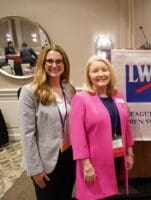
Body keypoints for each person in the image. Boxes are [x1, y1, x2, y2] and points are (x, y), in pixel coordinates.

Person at [70, 56, 134, 200]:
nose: (101, 74)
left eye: (104, 70)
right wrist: (86, 164)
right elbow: (77, 136)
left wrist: (129, 153)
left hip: (116, 157)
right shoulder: (81, 99)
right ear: (89, 75)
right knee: (97, 196)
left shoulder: (118, 95)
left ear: (110, 73)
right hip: (94, 162)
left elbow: (126, 126)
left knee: (113, 193)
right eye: (95, 71)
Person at [18, 44, 76, 200]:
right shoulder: (30, 91)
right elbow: (27, 134)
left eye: (59, 61)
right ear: (43, 64)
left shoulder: (69, 89)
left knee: (65, 195)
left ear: (65, 64)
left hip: (69, 156)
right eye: (50, 61)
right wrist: (35, 169)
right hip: (45, 160)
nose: (54, 65)